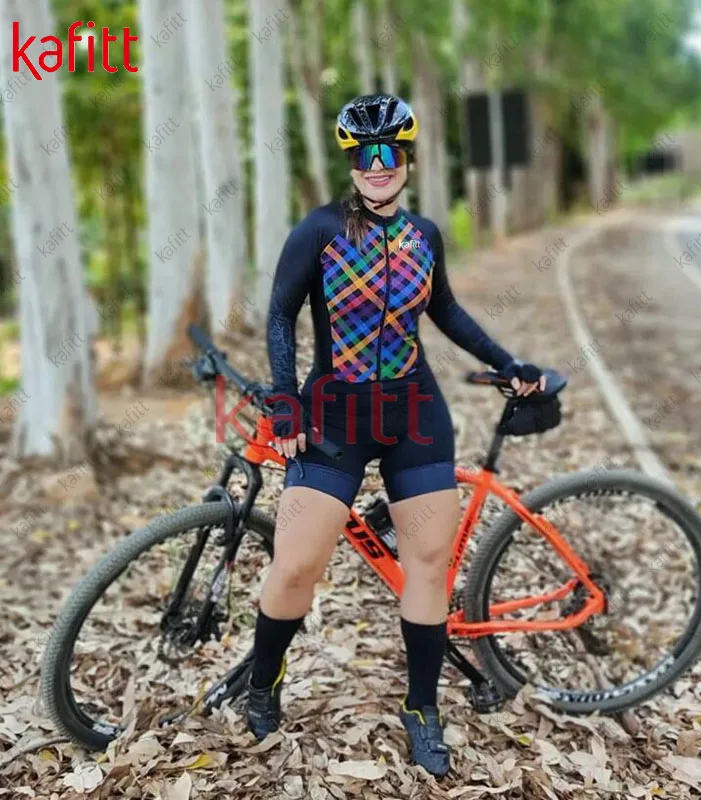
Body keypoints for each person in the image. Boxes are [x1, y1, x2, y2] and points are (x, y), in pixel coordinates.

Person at [247, 93, 545, 777]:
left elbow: (447, 311)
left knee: (429, 566)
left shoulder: (424, 235)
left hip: (415, 413)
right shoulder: (319, 231)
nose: (377, 165)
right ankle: (263, 681)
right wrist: (285, 402)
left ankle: (422, 707)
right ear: (351, 163)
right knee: (295, 565)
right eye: (364, 155)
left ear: (407, 159)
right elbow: (280, 314)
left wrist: (507, 363)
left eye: (390, 153)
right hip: (335, 416)